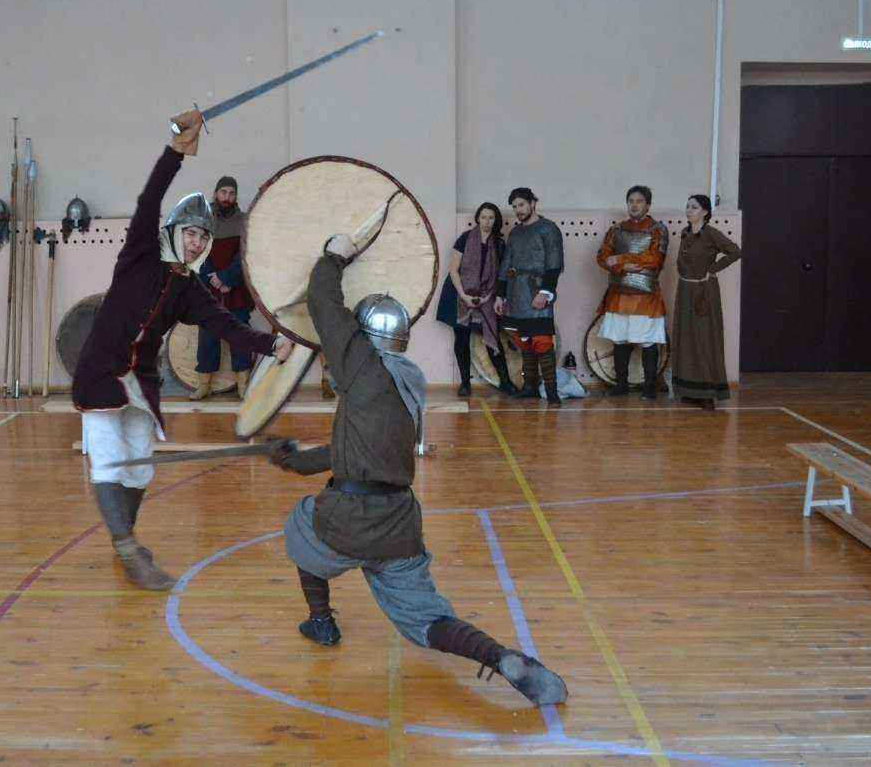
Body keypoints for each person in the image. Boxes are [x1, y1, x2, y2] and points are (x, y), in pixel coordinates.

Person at [270, 235, 568, 708]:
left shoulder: (359, 364)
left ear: (364, 338)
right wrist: (295, 459)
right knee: (428, 620)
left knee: (302, 524)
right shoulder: (408, 380)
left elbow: (323, 300)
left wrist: (334, 255)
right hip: (399, 524)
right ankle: (501, 657)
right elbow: (358, 453)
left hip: (348, 519)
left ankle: (321, 621)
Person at [71, 111, 294, 591]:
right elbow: (150, 196)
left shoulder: (190, 288)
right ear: (175, 230)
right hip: (100, 373)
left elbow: (225, 324)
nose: (195, 242)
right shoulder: (140, 253)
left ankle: (124, 536)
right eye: (190, 232)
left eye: (203, 236)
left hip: (139, 382)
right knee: (110, 462)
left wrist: (271, 343)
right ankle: (129, 551)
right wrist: (176, 151)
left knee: (139, 466)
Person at [595, 185, 669, 399]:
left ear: (648, 205)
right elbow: (602, 256)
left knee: (647, 342)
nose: (634, 205)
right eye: (631, 201)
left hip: (646, 297)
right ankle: (621, 385)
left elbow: (654, 259)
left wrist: (620, 259)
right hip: (618, 294)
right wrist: (621, 266)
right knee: (620, 340)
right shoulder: (616, 230)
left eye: (639, 201)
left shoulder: (657, 229)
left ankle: (649, 387)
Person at [494, 188, 565, 406]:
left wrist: (545, 292)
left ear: (533, 203)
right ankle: (530, 387)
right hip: (517, 292)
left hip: (537, 289)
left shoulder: (549, 229)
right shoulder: (515, 233)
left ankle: (552, 392)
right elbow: (506, 264)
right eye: (514, 206)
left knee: (542, 341)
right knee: (524, 341)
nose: (518, 210)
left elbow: (554, 263)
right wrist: (500, 295)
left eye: (521, 205)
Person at [670, 195, 741, 410]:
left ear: (705, 212)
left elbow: (735, 251)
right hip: (684, 290)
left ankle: (708, 393)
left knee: (704, 338)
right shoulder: (685, 233)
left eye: (694, 207)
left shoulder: (711, 234)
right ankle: (690, 390)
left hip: (703, 291)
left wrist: (713, 270)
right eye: (687, 206)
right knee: (686, 338)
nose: (689, 210)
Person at [436, 202, 514, 396]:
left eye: (491, 218)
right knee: (461, 339)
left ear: (496, 221)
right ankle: (465, 383)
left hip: (487, 296)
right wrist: (464, 295)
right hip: (459, 294)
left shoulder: (499, 244)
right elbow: (453, 269)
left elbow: (500, 276)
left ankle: (506, 383)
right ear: (478, 218)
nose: (487, 221)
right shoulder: (465, 238)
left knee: (491, 337)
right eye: (484, 217)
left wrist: (487, 296)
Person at [193, 175, 256, 399]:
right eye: (223, 192)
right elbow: (197, 250)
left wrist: (228, 279)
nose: (227, 197)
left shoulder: (244, 221)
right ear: (216, 193)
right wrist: (214, 279)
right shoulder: (203, 219)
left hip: (235, 288)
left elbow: (245, 255)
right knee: (208, 336)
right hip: (210, 288)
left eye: (231, 193)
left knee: (239, 334)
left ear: (235, 196)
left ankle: (243, 384)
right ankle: (204, 385)